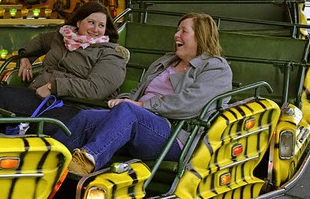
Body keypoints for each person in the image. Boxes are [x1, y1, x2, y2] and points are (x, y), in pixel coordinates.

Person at [52, 13, 232, 175]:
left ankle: (89, 159)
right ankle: (49, 160)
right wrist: (125, 100)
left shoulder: (216, 67)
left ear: (201, 36)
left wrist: (141, 106)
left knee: (129, 112)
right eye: (177, 30)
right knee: (86, 117)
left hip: (175, 134)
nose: (176, 35)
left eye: (183, 31)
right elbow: (140, 90)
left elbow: (190, 103)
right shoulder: (167, 61)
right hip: (138, 119)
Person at [0, 1, 127, 135]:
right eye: (91, 22)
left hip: (78, 106)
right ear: (79, 23)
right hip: (42, 96)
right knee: (3, 96)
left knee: (45, 125)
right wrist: (26, 56)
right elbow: (40, 41)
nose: (95, 30)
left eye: (101, 26)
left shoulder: (111, 54)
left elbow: (96, 89)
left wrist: (54, 86)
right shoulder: (63, 37)